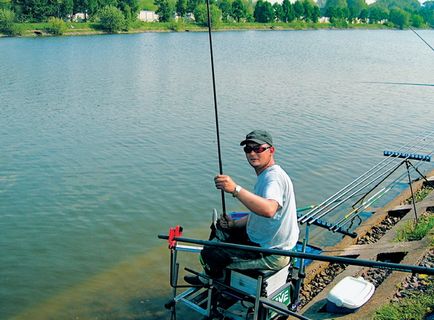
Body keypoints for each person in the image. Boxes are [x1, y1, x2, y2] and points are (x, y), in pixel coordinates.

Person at [184, 130, 299, 285]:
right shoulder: (267, 174)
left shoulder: (273, 178)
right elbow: (259, 214)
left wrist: (235, 189)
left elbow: (269, 210)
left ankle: (214, 280)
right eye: (248, 149)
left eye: (258, 149)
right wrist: (234, 224)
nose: (252, 153)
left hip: (271, 254)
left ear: (271, 150)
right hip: (264, 240)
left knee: (209, 254)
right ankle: (211, 272)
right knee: (221, 228)